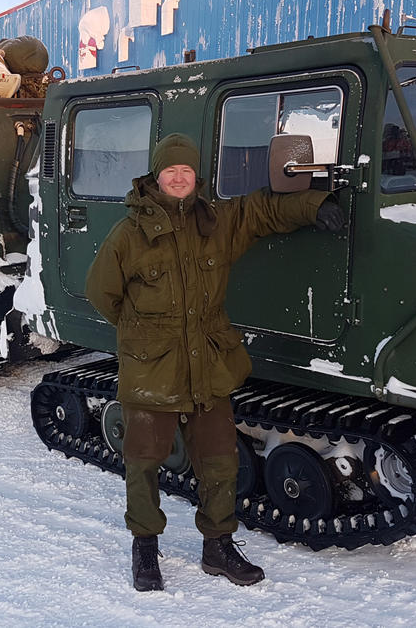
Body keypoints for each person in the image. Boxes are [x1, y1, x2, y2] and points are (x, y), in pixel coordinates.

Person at [85, 133, 344, 591]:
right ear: (156, 176)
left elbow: (262, 211)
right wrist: (146, 333)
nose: (179, 177)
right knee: (144, 462)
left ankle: (217, 547)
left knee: (220, 461)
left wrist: (313, 205)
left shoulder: (216, 222)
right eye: (171, 171)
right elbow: (101, 293)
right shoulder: (129, 233)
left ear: (195, 177)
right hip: (152, 367)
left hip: (208, 360)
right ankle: (145, 547)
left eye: (186, 171)